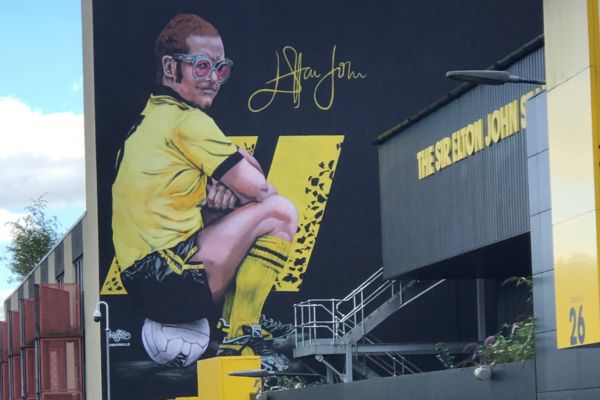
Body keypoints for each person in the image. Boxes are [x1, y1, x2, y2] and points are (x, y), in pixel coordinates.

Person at [111, 13, 298, 371]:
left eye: (220, 68)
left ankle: (239, 324)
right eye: (201, 67)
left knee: (237, 215)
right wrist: (239, 155)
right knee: (280, 211)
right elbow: (260, 188)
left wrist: (219, 208)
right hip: (169, 277)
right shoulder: (188, 121)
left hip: (145, 279)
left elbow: (171, 208)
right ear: (170, 67)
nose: (213, 79)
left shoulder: (150, 119)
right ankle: (241, 334)